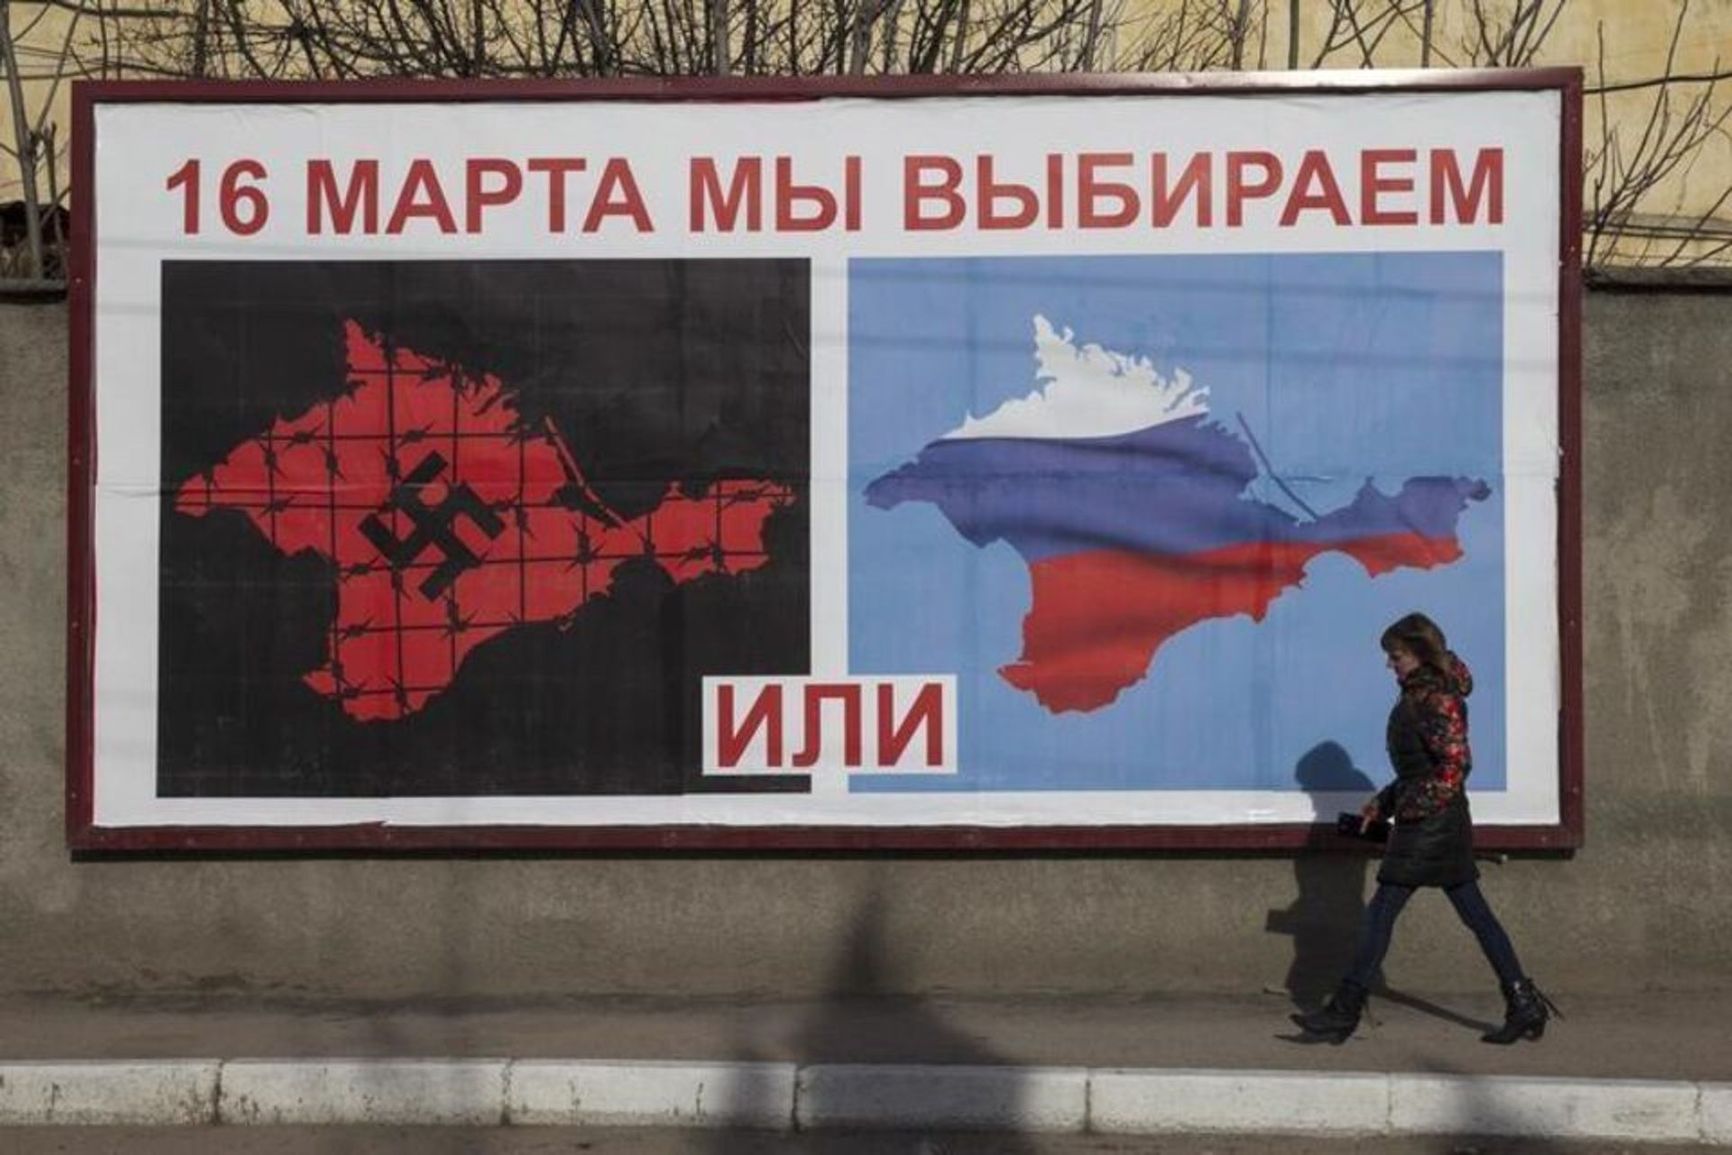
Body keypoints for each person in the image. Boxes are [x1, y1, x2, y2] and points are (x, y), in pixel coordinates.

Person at [1291, 612, 1560, 1045]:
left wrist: (1409, 809)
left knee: (1380, 916)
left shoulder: (1436, 698)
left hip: (1431, 826)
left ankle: (1344, 1013)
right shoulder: (1421, 694)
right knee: (1475, 915)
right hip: (1435, 822)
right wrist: (1384, 803)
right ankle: (1523, 1003)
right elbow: (1422, 770)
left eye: (1395, 655)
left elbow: (1455, 767)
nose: (1389, 664)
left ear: (1417, 653)